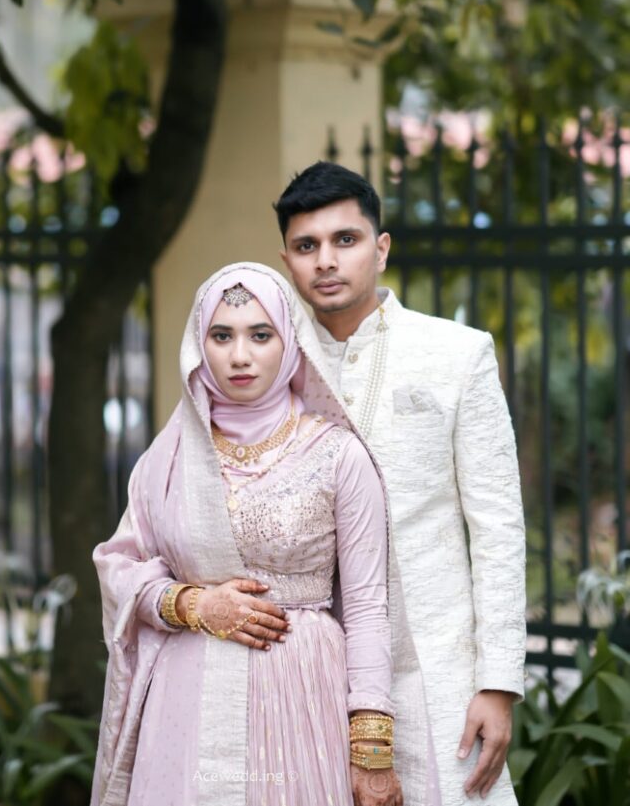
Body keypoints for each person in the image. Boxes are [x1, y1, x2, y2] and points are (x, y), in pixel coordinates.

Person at [90, 263, 441, 806]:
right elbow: (121, 564)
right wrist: (190, 603)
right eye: (221, 336)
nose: (239, 355)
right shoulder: (170, 456)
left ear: (291, 341)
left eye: (260, 334)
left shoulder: (338, 454)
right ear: (199, 345)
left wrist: (370, 749)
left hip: (301, 695)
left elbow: (370, 604)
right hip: (187, 700)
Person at [274, 163, 527, 806]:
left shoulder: (456, 355)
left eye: (346, 240)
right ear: (286, 260)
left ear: (381, 248)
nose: (326, 261)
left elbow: (497, 527)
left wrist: (496, 683)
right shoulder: (269, 363)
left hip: (435, 673)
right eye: (307, 247)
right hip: (306, 673)